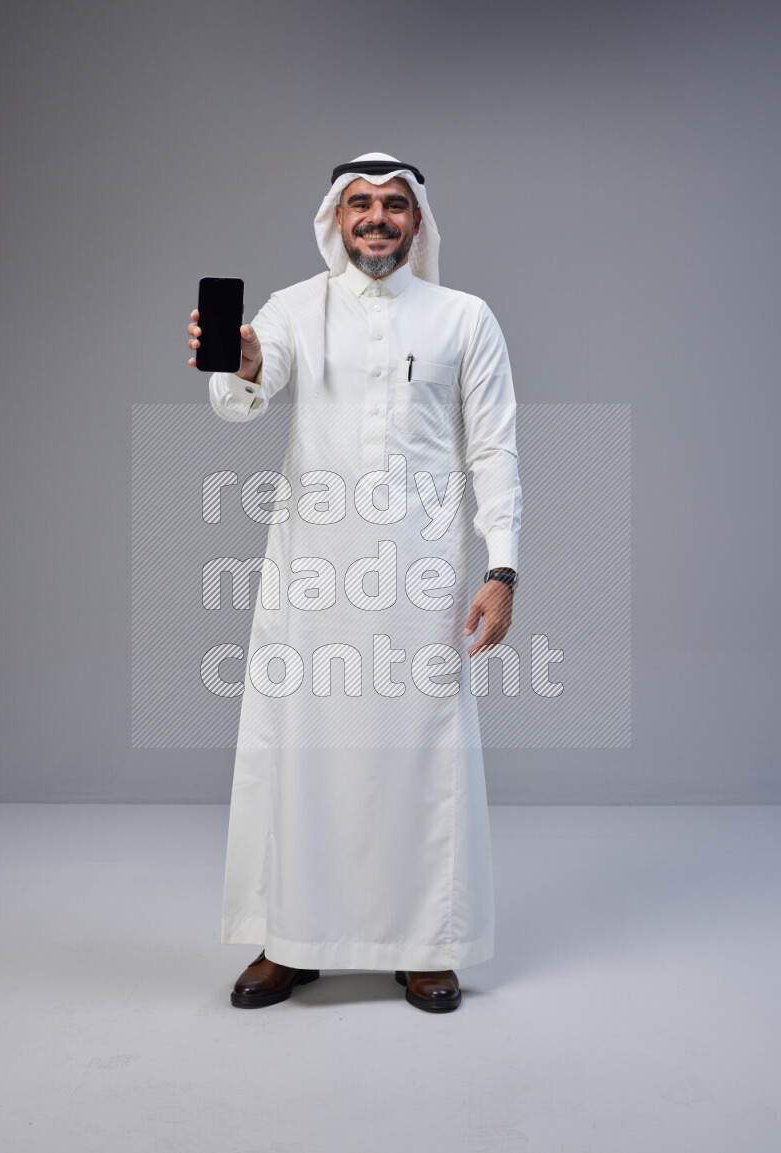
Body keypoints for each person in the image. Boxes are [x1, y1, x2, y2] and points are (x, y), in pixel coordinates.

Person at [187, 153, 522, 1013]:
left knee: (418, 755)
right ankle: (293, 940)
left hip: (421, 574)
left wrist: (501, 566)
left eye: (395, 206)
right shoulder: (297, 307)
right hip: (313, 572)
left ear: (418, 222)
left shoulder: (464, 317)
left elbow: (494, 448)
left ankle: (424, 944)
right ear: (337, 218)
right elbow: (241, 400)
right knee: (304, 751)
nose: (377, 218)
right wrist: (248, 359)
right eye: (361, 205)